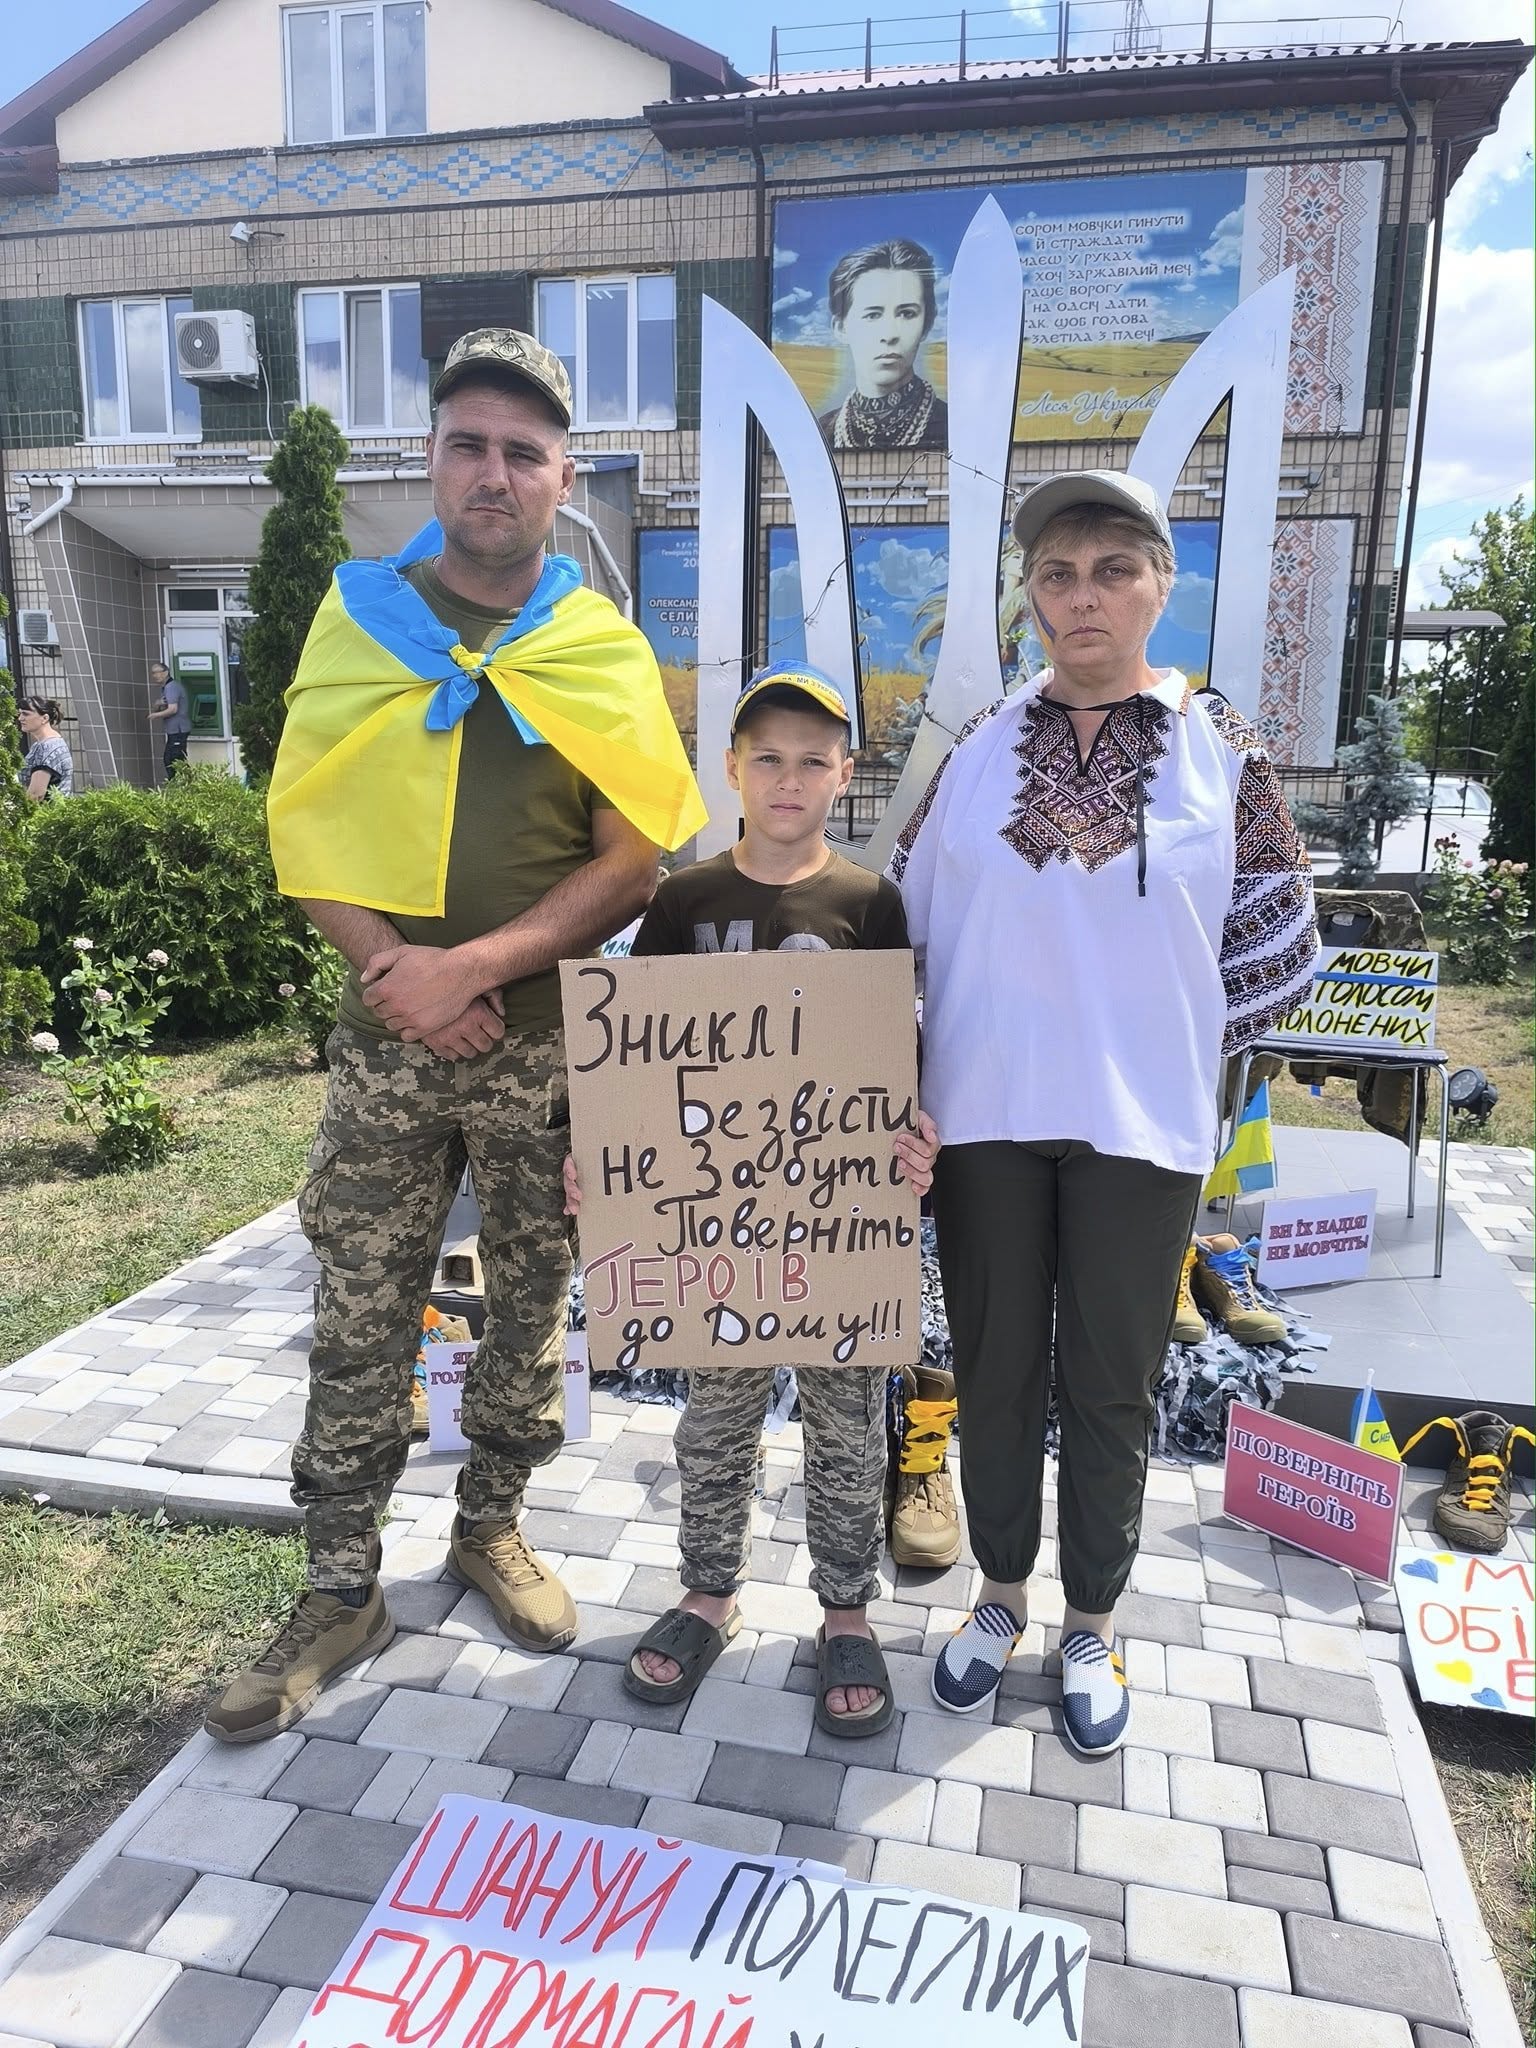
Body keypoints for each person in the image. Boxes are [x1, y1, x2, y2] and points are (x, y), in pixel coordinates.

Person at [205, 328, 705, 1744]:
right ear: (430, 460)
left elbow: (633, 864)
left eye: (524, 453)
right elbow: (302, 827)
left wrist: (472, 969)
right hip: (388, 1040)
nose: (495, 473)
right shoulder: (359, 620)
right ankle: (339, 1588)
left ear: (563, 481)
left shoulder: (598, 650)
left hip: (547, 1044)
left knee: (534, 1297)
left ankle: (491, 1526)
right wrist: (398, 975)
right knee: (361, 1303)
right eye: (469, 444)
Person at [890, 470, 1317, 1753]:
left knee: (1114, 1380)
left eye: (1113, 569)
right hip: (985, 1113)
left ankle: (1091, 1617)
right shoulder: (978, 749)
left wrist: (1168, 1047)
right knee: (997, 1364)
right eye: (1058, 573)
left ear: (1160, 585)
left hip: (1143, 1126)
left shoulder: (1220, 747)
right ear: (1031, 595)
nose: (1084, 596)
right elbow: (900, 929)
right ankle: (1000, 1595)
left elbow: (1273, 942)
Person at [564, 663, 940, 1737]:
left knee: (846, 1422)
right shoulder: (684, 900)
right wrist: (605, 1155)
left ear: (844, 775)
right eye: (767, 758)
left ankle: (846, 1610)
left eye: (813, 761)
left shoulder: (870, 903)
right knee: (716, 1415)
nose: (789, 779)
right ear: (730, 769)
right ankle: (707, 1593)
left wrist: (914, 1141)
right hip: (712, 1231)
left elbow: (894, 1056)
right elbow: (635, 1057)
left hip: (835, 1225)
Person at [817, 239, 949, 453]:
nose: (889, 335)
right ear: (841, 327)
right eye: (872, 315)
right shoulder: (821, 434)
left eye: (907, 313)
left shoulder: (952, 426)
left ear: (927, 324)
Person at [17, 696, 72, 800]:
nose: (20, 718)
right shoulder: (54, 741)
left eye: (26, 714)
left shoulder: (46, 747)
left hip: (46, 809)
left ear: (45, 718)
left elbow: (36, 795)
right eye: (20, 713)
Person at [146, 660, 191, 776]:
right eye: (153, 673)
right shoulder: (165, 688)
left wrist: (155, 715)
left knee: (173, 760)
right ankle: (186, 783)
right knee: (175, 759)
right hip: (174, 731)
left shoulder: (171, 687)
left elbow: (173, 709)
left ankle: (184, 783)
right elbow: (161, 708)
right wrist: (157, 704)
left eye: (157, 672)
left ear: (166, 672)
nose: (155, 675)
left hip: (178, 730)